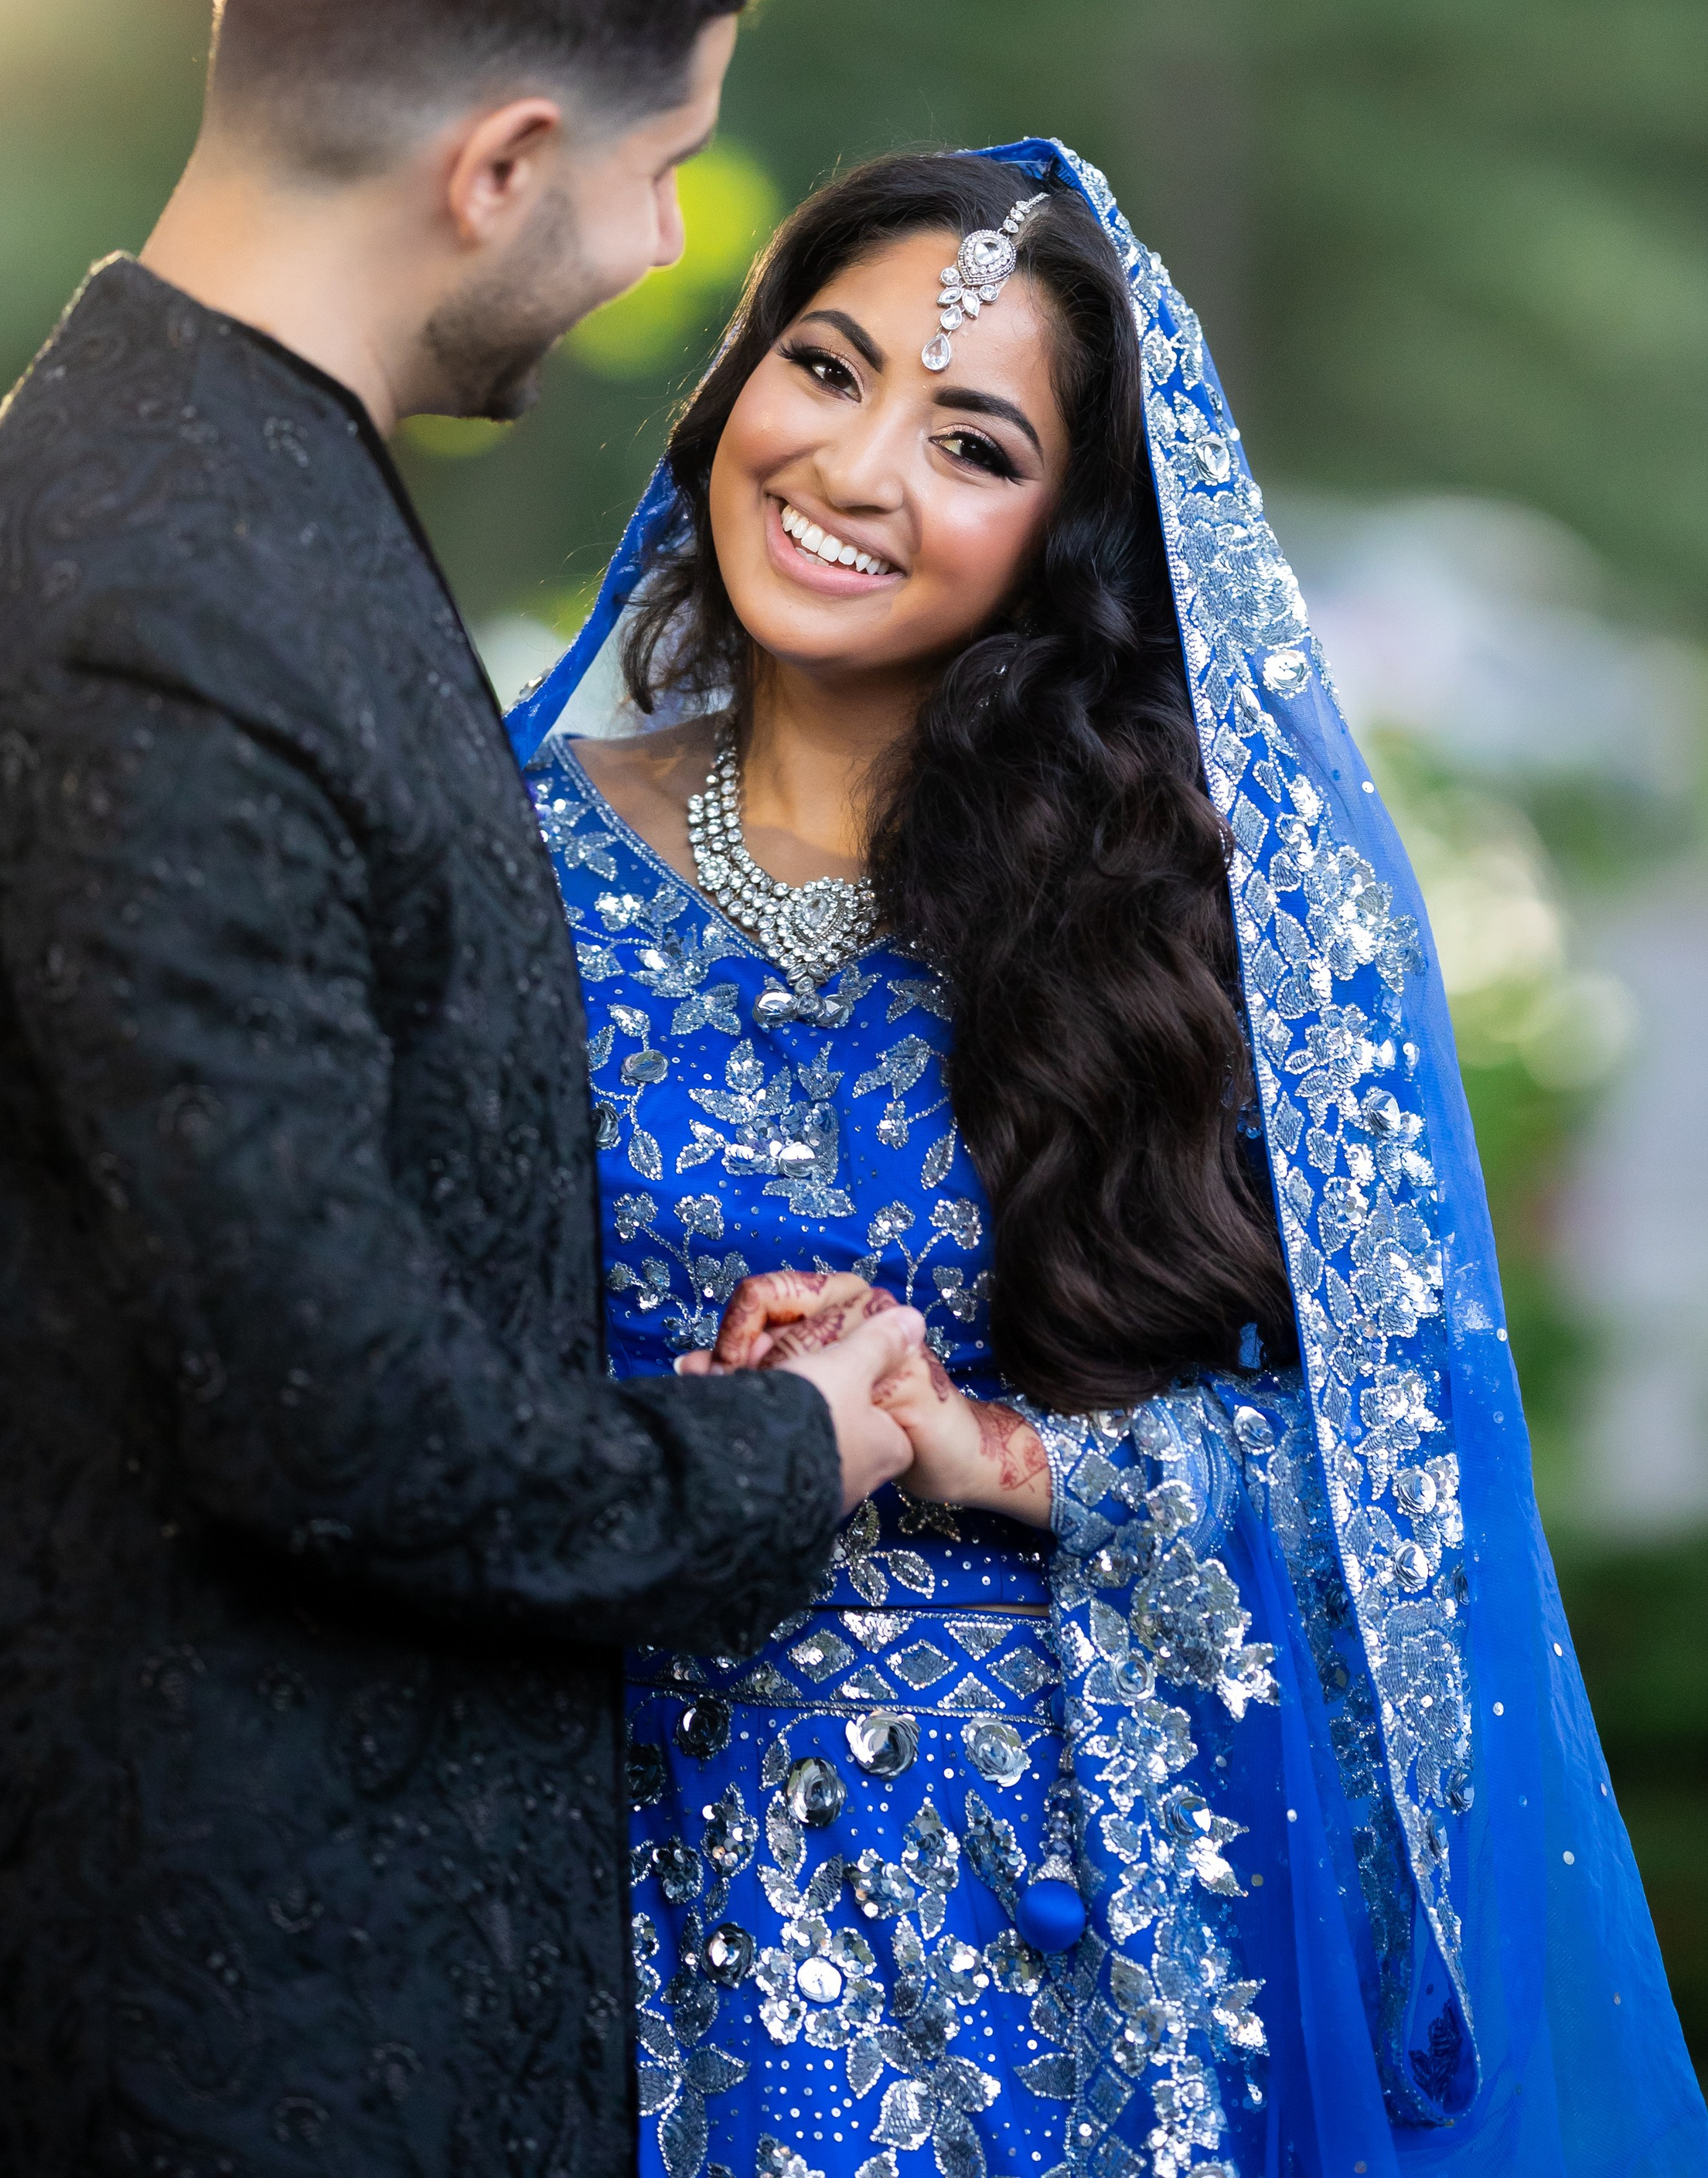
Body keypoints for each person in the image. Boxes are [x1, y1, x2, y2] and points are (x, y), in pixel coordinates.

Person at [0, 0, 926, 2177]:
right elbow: (334, 1411)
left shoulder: (223, 487)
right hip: (209, 2038)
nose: (654, 245)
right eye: (657, 163)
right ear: (498, 163)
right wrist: (786, 1456)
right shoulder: (163, 596)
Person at [504, 141, 1708, 2177]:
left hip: (1036, 1974)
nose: (861, 468)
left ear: (1066, 528)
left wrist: (990, 1451)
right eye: (827, 367)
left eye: (971, 439)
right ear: (729, 394)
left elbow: (1396, 1509)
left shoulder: (1162, 927)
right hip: (551, 1889)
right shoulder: (490, 854)